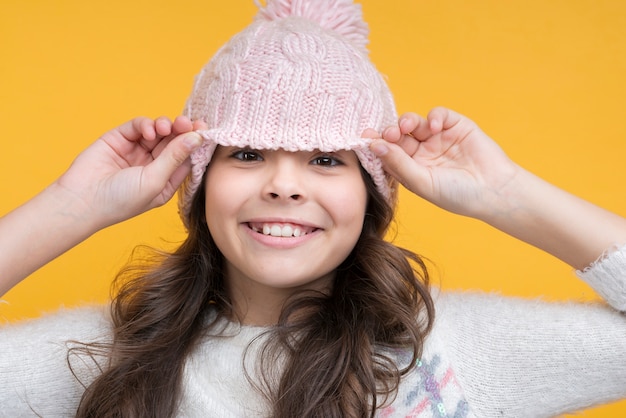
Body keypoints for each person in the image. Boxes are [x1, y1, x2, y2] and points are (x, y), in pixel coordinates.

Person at [2, 0, 626, 417]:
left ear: (372, 192)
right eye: (246, 153)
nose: (284, 185)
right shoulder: (109, 358)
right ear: (197, 178)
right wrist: (71, 207)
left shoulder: (448, 353)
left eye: (327, 159)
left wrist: (508, 195)